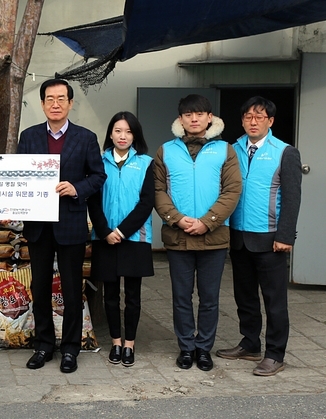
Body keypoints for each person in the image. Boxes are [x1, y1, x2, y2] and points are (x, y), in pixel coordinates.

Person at [17, 79, 106, 374]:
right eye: (49, 99)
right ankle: (43, 344)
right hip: (38, 226)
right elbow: (17, 177)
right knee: (39, 287)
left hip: (71, 223)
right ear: (42, 104)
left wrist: (76, 187)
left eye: (61, 99)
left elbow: (98, 176)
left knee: (71, 290)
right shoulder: (28, 137)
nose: (55, 104)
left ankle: (70, 348)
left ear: (70, 103)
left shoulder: (86, 137)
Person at [153, 94, 241, 372]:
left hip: (213, 238)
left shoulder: (225, 150)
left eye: (200, 114)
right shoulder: (166, 150)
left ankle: (204, 348)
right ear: (180, 119)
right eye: (189, 114)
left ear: (210, 117)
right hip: (178, 237)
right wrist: (177, 219)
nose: (194, 119)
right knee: (181, 297)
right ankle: (186, 348)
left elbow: (232, 190)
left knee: (209, 298)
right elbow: (158, 191)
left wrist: (208, 221)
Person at [216, 96, 302, 377]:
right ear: (242, 121)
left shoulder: (285, 152)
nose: (253, 122)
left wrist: (286, 235)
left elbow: (292, 198)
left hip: (270, 238)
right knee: (245, 297)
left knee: (274, 300)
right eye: (248, 117)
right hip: (239, 236)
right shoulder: (232, 149)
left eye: (260, 116)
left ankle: (275, 354)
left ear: (270, 121)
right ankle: (250, 343)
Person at [88, 111, 154, 367]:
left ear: (134, 135)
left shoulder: (147, 163)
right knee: (111, 295)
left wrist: (122, 231)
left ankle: (130, 344)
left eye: (128, 131)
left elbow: (146, 202)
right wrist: (105, 231)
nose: (123, 136)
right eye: (118, 131)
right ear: (110, 134)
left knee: (133, 296)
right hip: (104, 238)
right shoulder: (98, 162)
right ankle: (116, 342)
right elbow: (92, 199)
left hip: (134, 238)